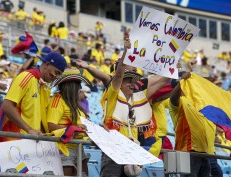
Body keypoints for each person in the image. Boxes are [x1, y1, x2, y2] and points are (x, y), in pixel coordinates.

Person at [100, 37, 170, 177]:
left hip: (130, 153)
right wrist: (126, 51)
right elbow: (119, 74)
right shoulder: (114, 94)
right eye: (128, 82)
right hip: (113, 152)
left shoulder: (137, 100)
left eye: (133, 81)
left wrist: (171, 69)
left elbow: (161, 82)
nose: (133, 84)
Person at [0, 52, 67, 171]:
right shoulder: (26, 77)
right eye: (56, 72)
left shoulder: (43, 86)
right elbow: (7, 106)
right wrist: (29, 129)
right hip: (15, 143)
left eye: (59, 75)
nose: (56, 77)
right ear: (46, 64)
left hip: (30, 144)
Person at [47, 69, 91, 176]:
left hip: (79, 148)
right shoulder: (57, 100)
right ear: (70, 85)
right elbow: (50, 125)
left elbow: (80, 128)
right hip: (64, 149)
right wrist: (73, 129)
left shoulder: (76, 105)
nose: (80, 88)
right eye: (78, 84)